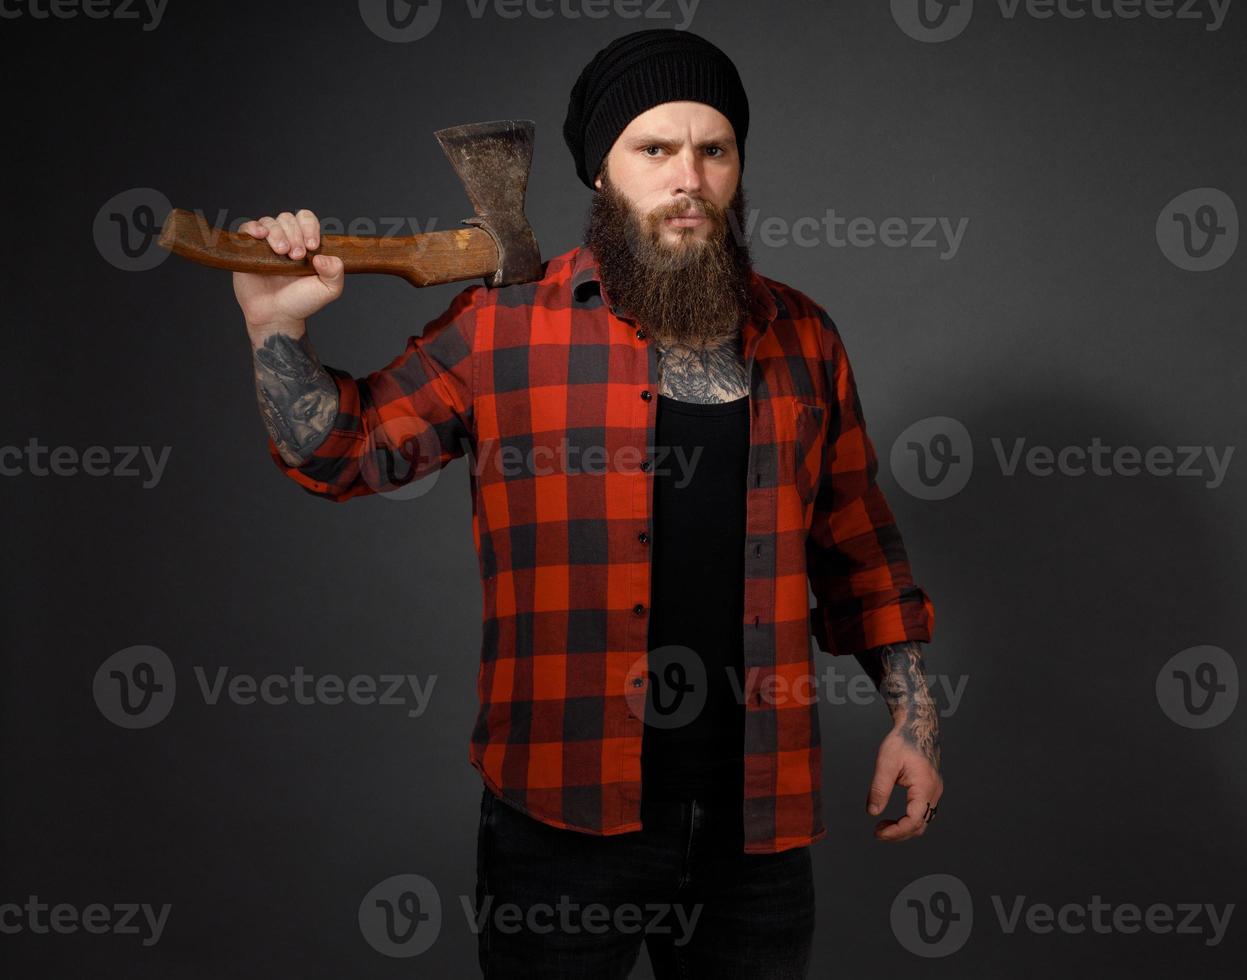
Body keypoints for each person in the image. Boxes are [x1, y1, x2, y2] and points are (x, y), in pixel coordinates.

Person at [233, 28, 941, 980]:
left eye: (713, 149)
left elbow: (857, 543)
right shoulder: (503, 326)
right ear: (603, 175)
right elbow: (346, 451)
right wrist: (273, 331)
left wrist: (913, 721)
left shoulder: (803, 334)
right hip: (563, 819)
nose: (687, 175)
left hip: (758, 826)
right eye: (655, 149)